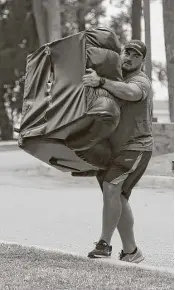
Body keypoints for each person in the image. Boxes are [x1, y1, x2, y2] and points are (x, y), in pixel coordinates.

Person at [82, 39, 153, 263]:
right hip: (112, 148)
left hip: (137, 146)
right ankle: (131, 251)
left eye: (135, 55)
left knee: (111, 187)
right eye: (126, 52)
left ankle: (104, 244)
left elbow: (131, 93)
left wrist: (101, 81)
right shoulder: (115, 79)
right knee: (117, 196)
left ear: (142, 60)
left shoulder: (141, 81)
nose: (129, 57)